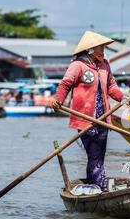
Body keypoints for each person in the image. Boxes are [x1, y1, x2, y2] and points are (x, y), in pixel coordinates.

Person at [51, 31, 124, 191]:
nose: (103, 50)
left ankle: (96, 183)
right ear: (90, 49)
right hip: (85, 118)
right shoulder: (77, 65)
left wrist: (122, 98)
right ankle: (99, 185)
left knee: (99, 155)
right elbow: (65, 84)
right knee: (94, 154)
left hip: (103, 118)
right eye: (101, 47)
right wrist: (58, 100)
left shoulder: (105, 65)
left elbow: (111, 86)